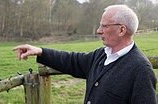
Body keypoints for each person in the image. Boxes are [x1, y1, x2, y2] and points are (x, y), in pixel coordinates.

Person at [13, 5, 157, 104]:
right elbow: (72, 61)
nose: (98, 31)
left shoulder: (141, 70)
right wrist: (40, 51)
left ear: (121, 30)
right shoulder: (101, 55)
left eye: (104, 26)